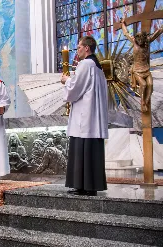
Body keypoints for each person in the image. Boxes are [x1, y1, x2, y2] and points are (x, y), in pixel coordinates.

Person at [61, 36, 108, 196]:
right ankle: (90, 185)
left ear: (87, 48)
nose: (77, 50)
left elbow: (74, 89)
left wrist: (67, 80)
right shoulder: (98, 67)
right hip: (93, 117)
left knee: (82, 149)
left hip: (84, 117)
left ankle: (82, 186)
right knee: (90, 152)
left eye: (79, 47)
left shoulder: (85, 64)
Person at [121, 18, 163, 112]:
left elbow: (159, 31)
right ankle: (142, 102)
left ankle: (146, 102)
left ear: (144, 37)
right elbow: (126, 33)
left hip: (146, 70)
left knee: (150, 85)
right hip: (137, 70)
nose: (139, 39)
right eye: (138, 37)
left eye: (141, 37)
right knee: (143, 85)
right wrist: (123, 23)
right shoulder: (134, 41)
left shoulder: (147, 41)